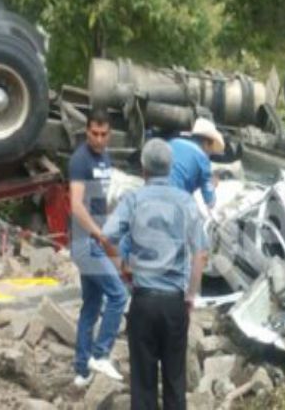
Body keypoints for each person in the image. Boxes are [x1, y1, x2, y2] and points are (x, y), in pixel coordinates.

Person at [102, 138, 209, 410]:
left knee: (143, 386)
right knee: (175, 382)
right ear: (170, 167)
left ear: (143, 169)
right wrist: (190, 296)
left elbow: (106, 237)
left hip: (143, 302)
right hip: (174, 302)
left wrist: (122, 266)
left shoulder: (134, 200)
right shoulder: (186, 202)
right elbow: (201, 254)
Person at [68, 109, 128, 386]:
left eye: (104, 134)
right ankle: (101, 354)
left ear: (110, 134)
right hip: (85, 242)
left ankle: (82, 370)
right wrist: (99, 234)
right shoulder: (80, 160)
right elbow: (76, 205)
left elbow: (101, 200)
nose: (99, 139)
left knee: (91, 306)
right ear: (87, 131)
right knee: (118, 296)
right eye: (94, 133)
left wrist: (111, 230)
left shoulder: (105, 157)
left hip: (97, 240)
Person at [168, 117, 225, 208]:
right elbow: (210, 202)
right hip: (172, 203)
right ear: (206, 143)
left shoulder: (172, 143)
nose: (209, 155)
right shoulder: (202, 159)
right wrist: (212, 185)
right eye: (211, 150)